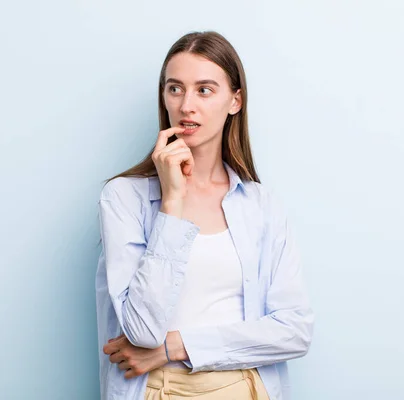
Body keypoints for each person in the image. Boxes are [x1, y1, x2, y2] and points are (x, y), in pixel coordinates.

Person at [95, 30, 314, 400]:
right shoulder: (124, 197)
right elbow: (142, 332)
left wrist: (176, 347)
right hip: (157, 390)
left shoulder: (261, 205)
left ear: (235, 101)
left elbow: (294, 330)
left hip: (244, 388)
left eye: (205, 90)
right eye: (175, 89)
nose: (186, 105)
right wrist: (172, 205)